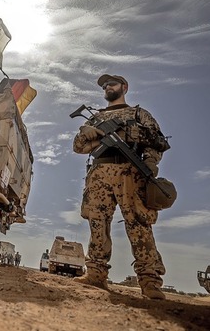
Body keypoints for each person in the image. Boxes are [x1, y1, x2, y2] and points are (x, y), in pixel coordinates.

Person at [72, 74, 170, 300]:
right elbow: (78, 147)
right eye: (104, 85)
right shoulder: (94, 117)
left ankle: (149, 280)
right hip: (99, 173)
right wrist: (88, 135)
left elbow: (157, 141)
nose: (107, 87)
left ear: (124, 87)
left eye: (112, 84)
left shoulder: (138, 114)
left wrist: (151, 162)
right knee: (97, 222)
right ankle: (95, 272)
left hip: (130, 172)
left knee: (138, 223)